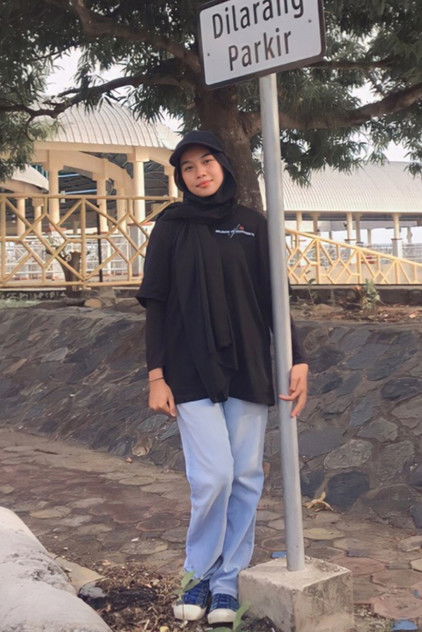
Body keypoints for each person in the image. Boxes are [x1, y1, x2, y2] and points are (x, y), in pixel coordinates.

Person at [136, 130, 308, 626]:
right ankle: (198, 573)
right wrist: (156, 375)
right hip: (188, 367)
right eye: (188, 167)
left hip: (248, 364)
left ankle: (228, 582)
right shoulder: (171, 225)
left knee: (246, 476)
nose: (200, 173)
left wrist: (297, 357)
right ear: (180, 177)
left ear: (224, 166)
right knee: (213, 477)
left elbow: (274, 297)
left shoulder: (252, 224)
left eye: (207, 162)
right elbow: (156, 303)